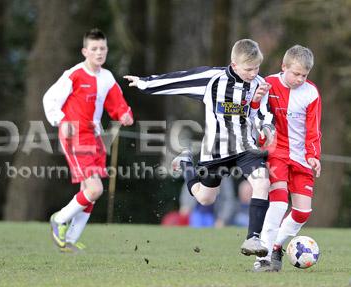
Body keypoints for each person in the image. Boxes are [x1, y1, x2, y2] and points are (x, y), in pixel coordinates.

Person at [124, 39, 274, 257]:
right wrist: (145, 83)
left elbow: (264, 114)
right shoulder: (212, 79)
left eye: (257, 68)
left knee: (263, 182)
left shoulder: (260, 84)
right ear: (233, 64)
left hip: (246, 148)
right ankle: (185, 163)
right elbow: (179, 80)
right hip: (215, 150)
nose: (253, 73)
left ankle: (252, 238)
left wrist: (267, 127)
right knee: (205, 198)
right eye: (248, 69)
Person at [43, 28, 134, 253]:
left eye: (102, 48)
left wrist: (124, 114)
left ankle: (70, 240)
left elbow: (117, 104)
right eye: (94, 49)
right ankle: (59, 219)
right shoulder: (74, 74)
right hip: (74, 136)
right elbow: (50, 99)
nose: (99, 52)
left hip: (95, 136)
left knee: (88, 191)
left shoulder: (107, 77)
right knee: (95, 189)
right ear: (85, 51)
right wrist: (60, 120)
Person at [255, 45, 322, 272]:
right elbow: (256, 111)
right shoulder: (268, 84)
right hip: (277, 152)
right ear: (284, 67)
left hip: (302, 157)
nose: (299, 79)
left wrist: (314, 156)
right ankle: (262, 257)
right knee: (279, 203)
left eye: (304, 75)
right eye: (295, 74)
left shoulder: (311, 93)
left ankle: (276, 245)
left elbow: (314, 129)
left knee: (303, 212)